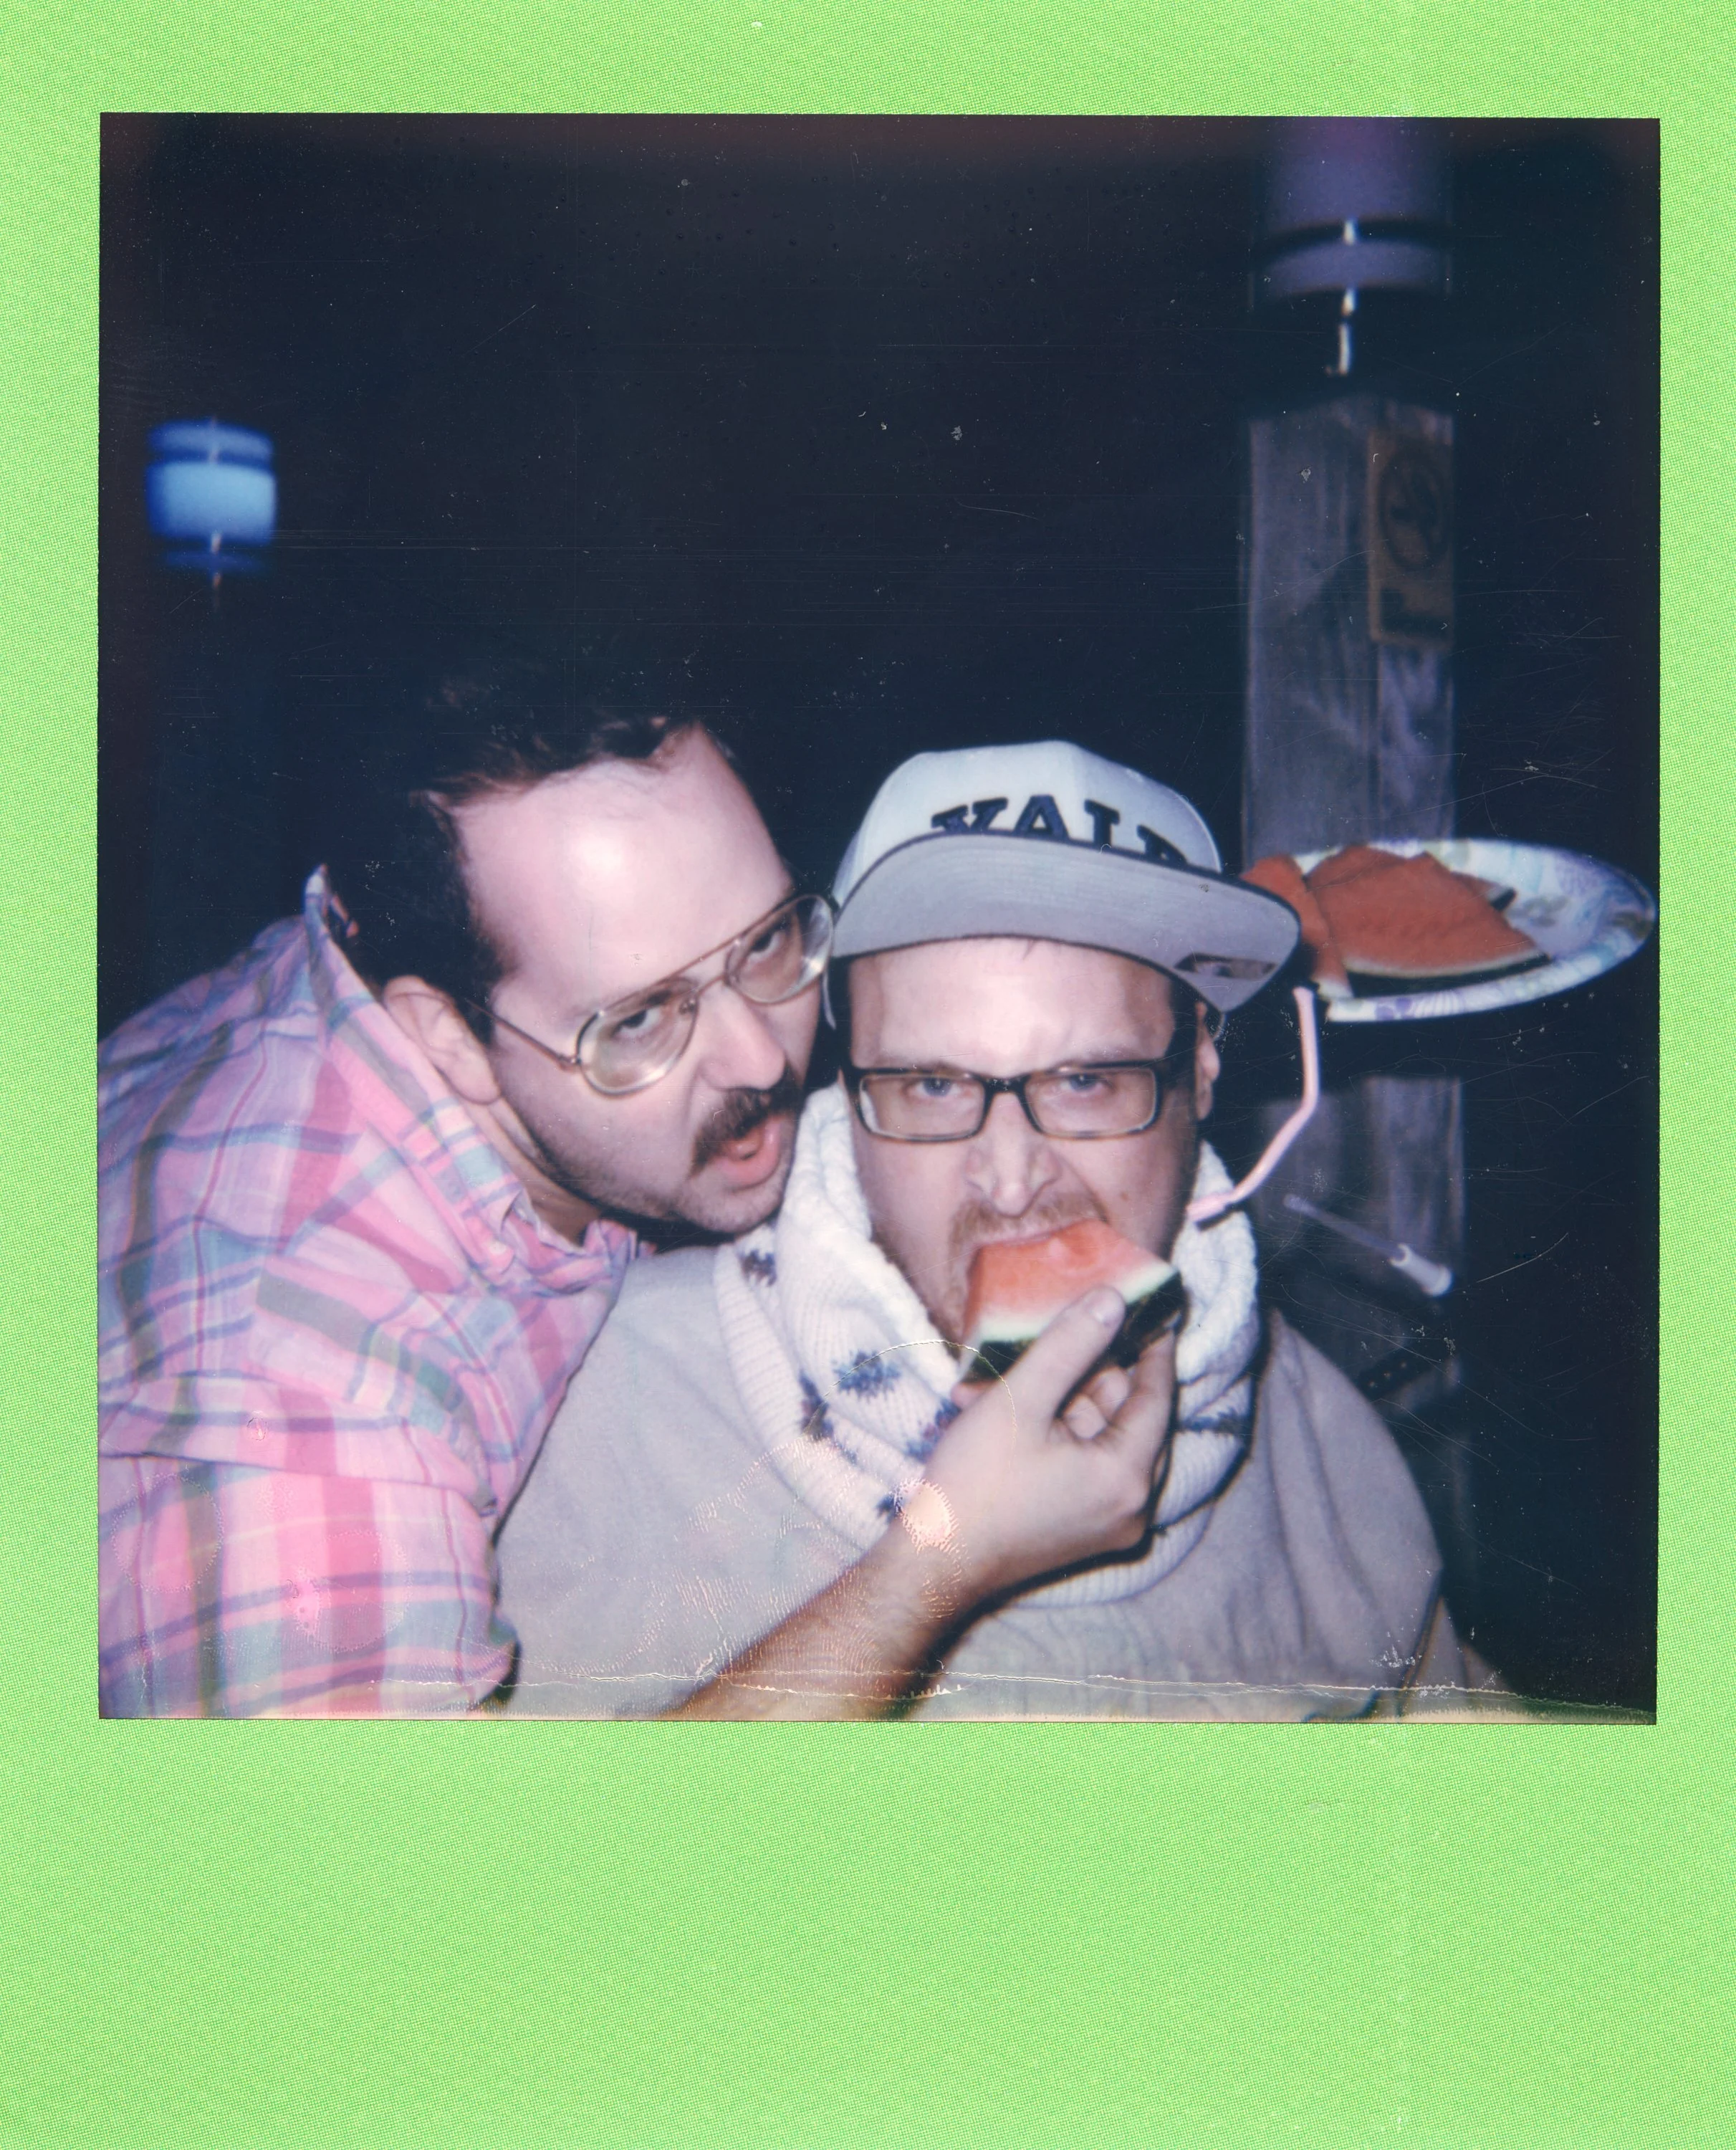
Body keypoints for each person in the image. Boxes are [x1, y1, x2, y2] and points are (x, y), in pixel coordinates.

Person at [496, 739, 1477, 1719]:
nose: (1009, 1182)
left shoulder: (1319, 1435)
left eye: (1087, 1081)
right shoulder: (592, 1414)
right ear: (848, 1082)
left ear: (1201, 1076)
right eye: (930, 1084)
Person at [98, 657, 833, 1716]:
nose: (761, 1062)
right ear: (448, 1039)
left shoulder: (370, 942)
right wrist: (949, 1561)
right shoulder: (310, 1442)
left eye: (765, 941)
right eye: (639, 1020)